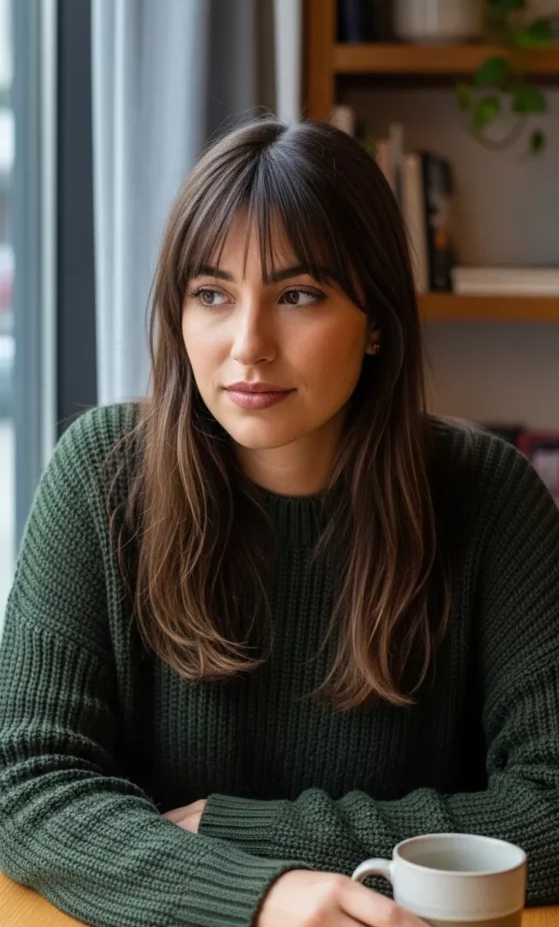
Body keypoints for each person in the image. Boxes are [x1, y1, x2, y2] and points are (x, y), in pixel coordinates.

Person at [0, 118, 558, 927]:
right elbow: (27, 783)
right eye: (211, 294)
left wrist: (255, 832)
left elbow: (551, 798)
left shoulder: (488, 497)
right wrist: (258, 896)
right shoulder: (101, 475)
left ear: (375, 322)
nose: (247, 345)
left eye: (298, 295)